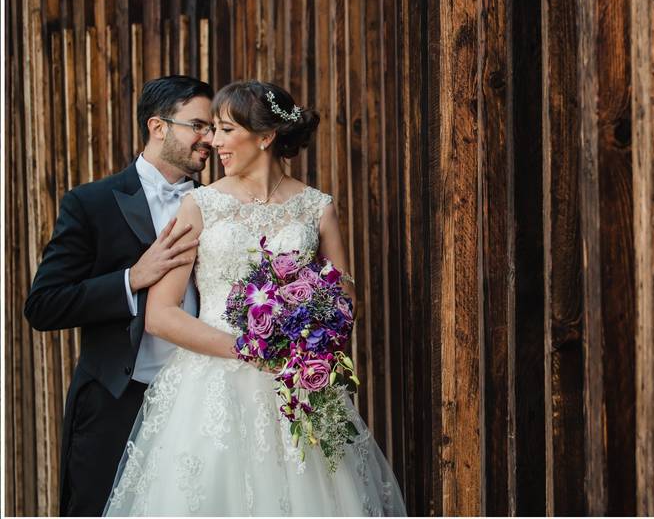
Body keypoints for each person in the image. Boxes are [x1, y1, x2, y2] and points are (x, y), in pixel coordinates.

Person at [102, 80, 405, 516]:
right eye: (212, 130)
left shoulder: (316, 207)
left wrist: (308, 323)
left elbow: (345, 298)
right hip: (210, 392)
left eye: (225, 130)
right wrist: (248, 349)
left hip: (295, 389)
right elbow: (161, 315)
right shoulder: (200, 205)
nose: (213, 140)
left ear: (265, 137)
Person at [23, 76, 216, 516]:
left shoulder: (217, 206)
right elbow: (44, 305)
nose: (209, 139)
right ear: (158, 126)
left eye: (212, 128)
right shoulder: (90, 203)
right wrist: (131, 278)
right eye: (198, 125)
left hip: (199, 402)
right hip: (114, 401)